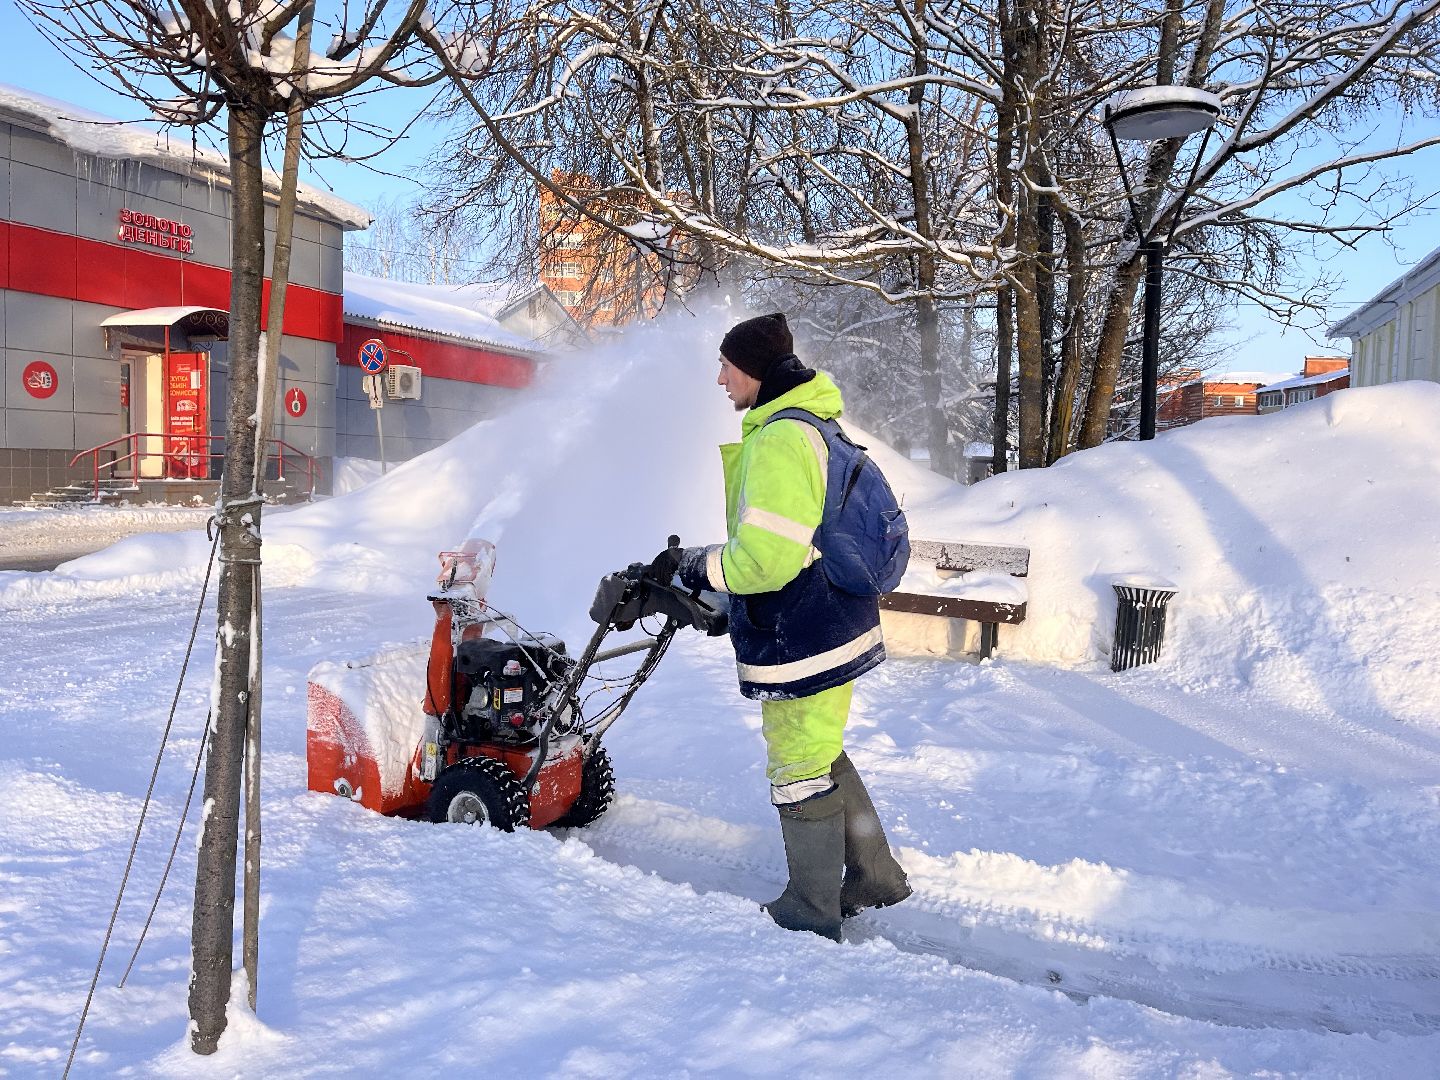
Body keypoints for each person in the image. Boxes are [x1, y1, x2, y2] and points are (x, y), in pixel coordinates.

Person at [659, 312, 911, 942]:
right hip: (836, 619)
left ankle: (811, 907)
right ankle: (874, 877)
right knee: (819, 751)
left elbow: (764, 561)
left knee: (798, 763)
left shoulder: (779, 439)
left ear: (754, 369)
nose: (719, 378)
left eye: (726, 366)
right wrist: (720, 577)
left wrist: (699, 567)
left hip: (803, 635)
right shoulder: (815, 426)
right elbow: (787, 540)